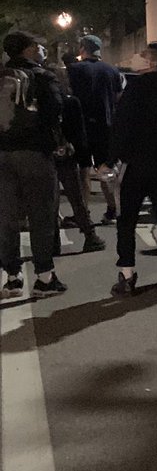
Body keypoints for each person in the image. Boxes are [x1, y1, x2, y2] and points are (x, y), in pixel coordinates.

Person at [107, 38, 157, 296]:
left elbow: (123, 127)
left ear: (152, 62)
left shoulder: (136, 89)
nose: (137, 57)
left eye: (143, 54)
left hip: (137, 162)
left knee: (127, 220)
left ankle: (127, 274)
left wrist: (110, 159)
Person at [1, 31, 69, 298]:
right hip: (34, 154)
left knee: (5, 217)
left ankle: (12, 277)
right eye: (38, 46)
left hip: (2, 154)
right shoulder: (42, 77)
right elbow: (55, 112)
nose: (42, 50)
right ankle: (44, 277)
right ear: (28, 50)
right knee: (41, 214)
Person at [67, 34, 124, 224]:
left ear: (83, 48)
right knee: (105, 167)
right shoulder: (112, 71)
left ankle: (83, 212)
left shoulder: (75, 69)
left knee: (83, 169)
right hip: (106, 125)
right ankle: (112, 208)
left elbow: (69, 96)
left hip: (82, 125)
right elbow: (118, 97)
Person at [55, 92, 105, 254]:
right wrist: (83, 158)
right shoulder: (69, 101)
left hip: (42, 154)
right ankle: (90, 235)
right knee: (76, 199)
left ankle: (52, 240)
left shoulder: (31, 99)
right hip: (65, 155)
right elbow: (78, 132)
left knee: (46, 201)